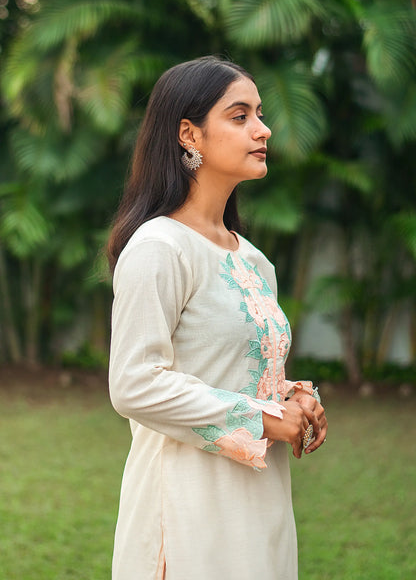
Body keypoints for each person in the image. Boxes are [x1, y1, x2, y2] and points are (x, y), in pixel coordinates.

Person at [107, 56, 328, 580]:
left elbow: (232, 371)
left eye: (260, 113)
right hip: (188, 506)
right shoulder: (159, 247)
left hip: (260, 502)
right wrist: (266, 418)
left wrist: (293, 397)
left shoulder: (252, 260)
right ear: (190, 134)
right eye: (240, 115)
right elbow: (134, 384)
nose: (263, 128)